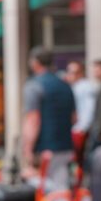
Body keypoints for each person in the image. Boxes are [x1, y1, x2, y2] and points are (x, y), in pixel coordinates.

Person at [21, 48, 76, 190]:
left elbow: (33, 119)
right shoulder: (65, 85)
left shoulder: (34, 85)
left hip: (45, 150)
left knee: (46, 191)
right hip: (66, 147)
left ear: (35, 63)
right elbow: (74, 118)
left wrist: (28, 150)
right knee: (62, 190)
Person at [65, 60, 97, 161]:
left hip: (80, 130)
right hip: (74, 129)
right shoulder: (72, 87)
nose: (71, 75)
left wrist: (83, 128)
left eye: (74, 72)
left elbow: (89, 109)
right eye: (69, 72)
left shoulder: (85, 87)